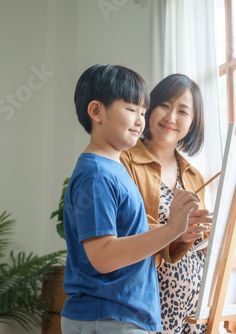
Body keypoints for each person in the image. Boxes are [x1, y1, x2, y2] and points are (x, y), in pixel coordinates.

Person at [61, 64, 201, 334]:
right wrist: (171, 229)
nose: (140, 120)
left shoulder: (114, 170)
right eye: (130, 109)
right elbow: (102, 256)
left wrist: (176, 234)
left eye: (142, 111)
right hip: (105, 318)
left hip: (123, 317)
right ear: (96, 111)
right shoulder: (96, 175)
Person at [120, 74, 211, 334]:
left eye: (183, 111)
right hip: (147, 305)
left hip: (194, 313)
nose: (171, 118)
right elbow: (127, 226)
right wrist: (172, 231)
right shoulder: (125, 160)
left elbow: (199, 240)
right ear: (150, 108)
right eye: (165, 105)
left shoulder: (194, 175)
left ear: (193, 123)